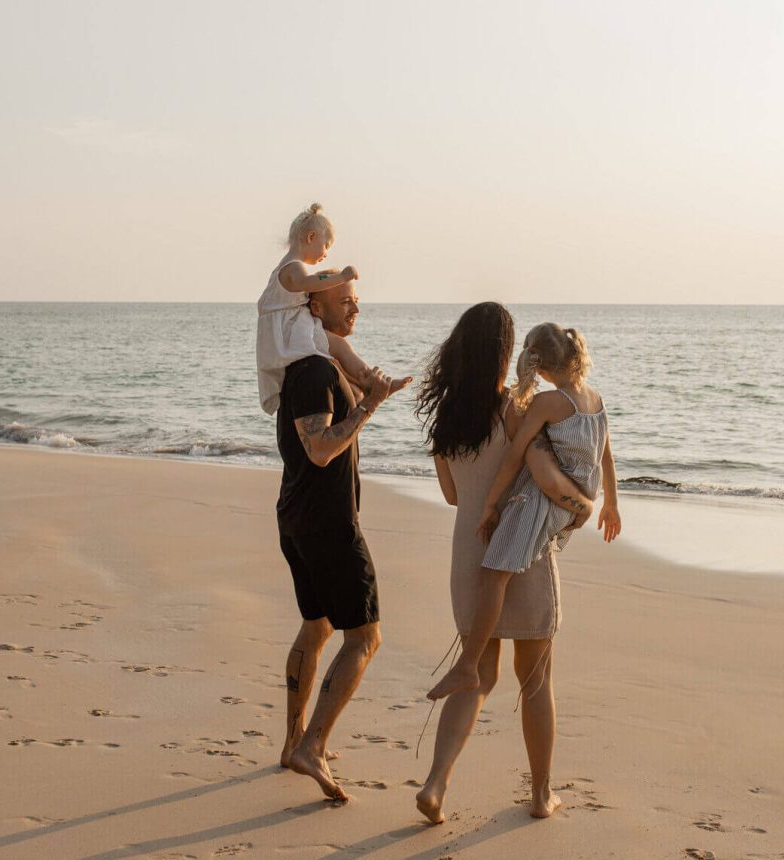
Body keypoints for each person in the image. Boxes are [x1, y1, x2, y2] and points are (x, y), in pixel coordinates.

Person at [413, 303, 598, 823]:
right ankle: (541, 795)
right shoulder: (518, 410)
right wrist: (584, 508)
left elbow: (452, 495)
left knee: (476, 674)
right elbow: (545, 476)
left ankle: (435, 783)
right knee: (535, 678)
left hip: (471, 555)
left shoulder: (446, 418)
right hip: (525, 553)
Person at [427, 322, 621, 703]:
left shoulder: (549, 403)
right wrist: (610, 502)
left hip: (541, 503)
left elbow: (516, 456)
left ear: (539, 366)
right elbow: (607, 454)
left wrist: (489, 504)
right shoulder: (595, 399)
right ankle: (469, 664)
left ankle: (467, 665)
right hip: (579, 496)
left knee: (493, 574)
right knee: (500, 574)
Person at [276, 274, 401, 803]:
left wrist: (369, 395)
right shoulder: (312, 372)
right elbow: (321, 449)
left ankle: (293, 744)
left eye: (357, 300)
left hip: (299, 518)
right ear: (315, 304)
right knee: (364, 638)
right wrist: (369, 405)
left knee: (318, 625)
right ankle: (313, 745)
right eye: (346, 302)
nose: (355, 310)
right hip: (328, 525)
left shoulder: (315, 365)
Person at [256, 202, 406, 416]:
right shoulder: (293, 268)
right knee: (339, 346)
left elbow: (312, 280)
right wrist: (341, 277)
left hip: (288, 331)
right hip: (290, 334)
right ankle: (373, 380)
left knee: (336, 357)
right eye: (326, 245)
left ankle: (366, 384)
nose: (325, 254)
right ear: (310, 237)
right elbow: (311, 282)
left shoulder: (288, 267)